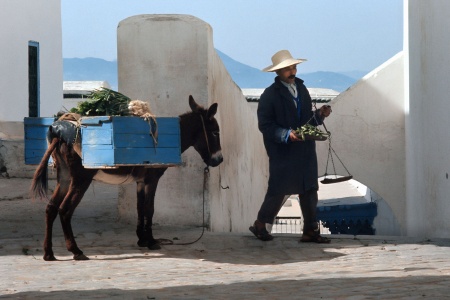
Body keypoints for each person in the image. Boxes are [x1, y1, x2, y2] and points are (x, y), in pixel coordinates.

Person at [249, 50, 332, 243]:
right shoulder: (269, 95)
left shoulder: (302, 89)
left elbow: (307, 120)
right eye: (287, 69)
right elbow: (265, 125)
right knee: (279, 189)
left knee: (309, 189)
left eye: (293, 67)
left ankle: (310, 230)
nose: (292, 71)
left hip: (305, 149)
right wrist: (287, 135)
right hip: (283, 150)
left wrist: (320, 115)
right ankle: (260, 224)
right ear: (277, 73)